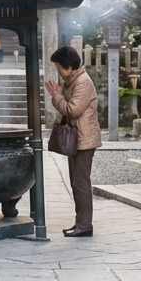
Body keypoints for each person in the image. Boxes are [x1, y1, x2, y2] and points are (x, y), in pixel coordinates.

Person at [46, 45, 100, 237]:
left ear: (68, 66)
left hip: (84, 140)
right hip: (78, 139)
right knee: (76, 183)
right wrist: (60, 94)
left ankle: (85, 226)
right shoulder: (74, 81)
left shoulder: (82, 82)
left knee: (81, 183)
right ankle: (80, 223)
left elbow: (73, 110)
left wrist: (57, 96)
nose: (58, 71)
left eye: (59, 67)